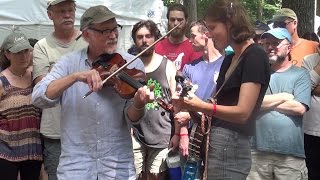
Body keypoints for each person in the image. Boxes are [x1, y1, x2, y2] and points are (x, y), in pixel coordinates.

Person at [32, 5, 154, 180]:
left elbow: (133, 118)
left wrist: (139, 104)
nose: (113, 35)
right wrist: (74, 77)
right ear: (87, 35)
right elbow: (38, 97)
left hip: (116, 166)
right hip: (76, 167)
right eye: (105, 31)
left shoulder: (130, 64)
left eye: (115, 28)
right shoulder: (68, 64)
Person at [172, 0, 271, 179]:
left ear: (230, 23)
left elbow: (243, 113)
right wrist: (190, 107)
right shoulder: (229, 59)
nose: (209, 34)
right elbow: (216, 112)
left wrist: (200, 106)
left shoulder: (255, 55)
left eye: (212, 27)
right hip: (215, 144)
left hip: (233, 146)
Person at [32, 0, 87, 179]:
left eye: (71, 10)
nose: (67, 15)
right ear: (50, 15)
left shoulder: (88, 40)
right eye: (61, 11)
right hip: (56, 132)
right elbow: (44, 89)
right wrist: (77, 76)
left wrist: (56, 78)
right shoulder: (42, 46)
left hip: (86, 130)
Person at [247, 28, 310, 180]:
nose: (270, 47)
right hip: (256, 152)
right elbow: (249, 104)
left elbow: (299, 108)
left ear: (289, 47)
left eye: (276, 43)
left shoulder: (300, 74)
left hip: (290, 156)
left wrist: (263, 103)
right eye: (266, 43)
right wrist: (284, 97)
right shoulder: (258, 72)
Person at [130, 20, 177, 180]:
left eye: (148, 36)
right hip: (135, 133)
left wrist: (178, 133)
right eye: (140, 37)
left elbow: (177, 103)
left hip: (161, 133)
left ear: (155, 37)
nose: (144, 40)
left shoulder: (168, 65)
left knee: (155, 177)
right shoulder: (129, 66)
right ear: (135, 40)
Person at [175, 20, 225, 156]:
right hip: (193, 134)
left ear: (206, 34)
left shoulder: (227, 65)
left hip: (218, 132)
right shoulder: (189, 68)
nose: (190, 40)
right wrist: (183, 133)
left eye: (193, 36)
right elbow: (182, 102)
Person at [0, 32, 42, 180]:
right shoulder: (2, 81)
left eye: (26, 51)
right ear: (7, 54)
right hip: (5, 149)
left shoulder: (36, 78)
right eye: (18, 52)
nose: (24, 56)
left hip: (33, 148)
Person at [154, 3, 202, 71]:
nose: (176, 23)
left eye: (180, 20)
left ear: (186, 21)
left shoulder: (194, 47)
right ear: (168, 21)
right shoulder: (157, 46)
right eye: (172, 20)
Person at [302, 45, 320, 179]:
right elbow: (305, 88)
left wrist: (316, 88)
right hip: (312, 129)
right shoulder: (308, 60)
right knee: (313, 172)